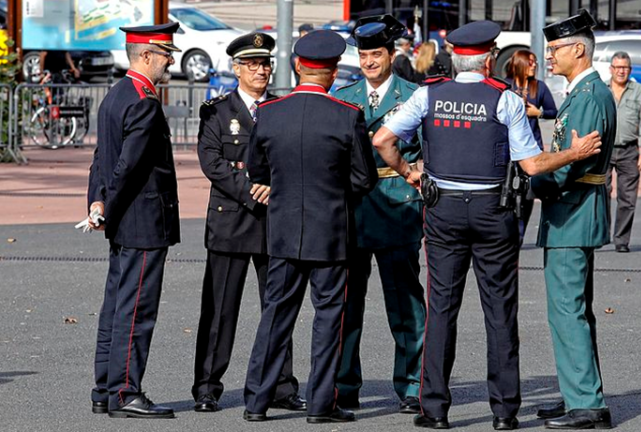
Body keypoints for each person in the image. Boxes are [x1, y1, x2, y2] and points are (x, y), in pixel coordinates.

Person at [372, 20, 603, 430]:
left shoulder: (428, 94)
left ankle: (434, 409)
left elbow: (382, 140)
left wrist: (409, 172)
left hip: (442, 209)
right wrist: (574, 152)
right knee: (499, 310)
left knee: (441, 307)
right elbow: (531, 165)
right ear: (489, 58)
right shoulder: (506, 99)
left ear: (457, 57)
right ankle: (504, 411)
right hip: (491, 209)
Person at [242, 30, 378, 424]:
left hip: (283, 228)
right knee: (328, 319)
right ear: (333, 72)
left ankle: (256, 400)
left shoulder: (270, 113)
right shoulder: (346, 115)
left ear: (299, 66)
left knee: (275, 317)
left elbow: (257, 170)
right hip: (331, 230)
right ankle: (321, 404)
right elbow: (363, 178)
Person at [192, 32, 305, 414]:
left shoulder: (281, 108)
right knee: (220, 309)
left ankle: (282, 386)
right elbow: (213, 163)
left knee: (277, 306)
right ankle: (207, 386)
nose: (261, 70)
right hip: (231, 222)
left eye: (266, 63)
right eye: (253, 64)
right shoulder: (217, 112)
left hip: (274, 221)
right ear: (236, 69)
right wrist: (251, 189)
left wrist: (272, 188)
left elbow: (292, 158)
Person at [86, 22, 182, 419]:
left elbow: (100, 158)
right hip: (143, 219)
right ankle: (125, 390)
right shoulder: (143, 100)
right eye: (165, 53)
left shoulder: (116, 95)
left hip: (124, 218)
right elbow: (127, 166)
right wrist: (107, 201)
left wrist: (98, 201)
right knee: (136, 308)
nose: (170, 60)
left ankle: (105, 388)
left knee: (115, 304)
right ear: (146, 56)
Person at [333, 14, 426, 414]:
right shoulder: (345, 95)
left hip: (398, 204)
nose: (369, 61)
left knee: (404, 304)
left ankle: (411, 386)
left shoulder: (415, 94)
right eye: (364, 55)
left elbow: (427, 150)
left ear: (392, 54)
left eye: (376, 54)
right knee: (346, 304)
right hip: (353, 209)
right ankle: (344, 384)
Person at [532, 9, 616, 429]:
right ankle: (579, 396)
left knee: (567, 310)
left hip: (572, 211)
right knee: (574, 309)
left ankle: (586, 402)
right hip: (577, 211)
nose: (549, 56)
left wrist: (530, 186)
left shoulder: (586, 97)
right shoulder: (584, 93)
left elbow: (568, 167)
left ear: (578, 50)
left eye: (555, 48)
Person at [504, 49, 558, 242]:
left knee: (527, 194)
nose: (534, 65)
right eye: (530, 62)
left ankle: (519, 236)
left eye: (535, 62)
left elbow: (554, 111)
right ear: (519, 63)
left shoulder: (539, 87)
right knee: (507, 193)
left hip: (531, 148)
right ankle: (507, 236)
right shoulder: (506, 87)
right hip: (508, 150)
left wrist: (538, 113)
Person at [606, 51, 641, 253]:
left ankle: (621, 240)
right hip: (603, 149)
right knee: (600, 193)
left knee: (628, 198)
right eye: (617, 67)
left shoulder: (639, 91)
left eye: (624, 67)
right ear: (611, 69)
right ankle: (600, 235)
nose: (621, 71)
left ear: (630, 70)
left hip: (629, 150)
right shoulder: (602, 89)